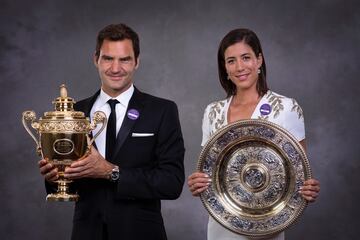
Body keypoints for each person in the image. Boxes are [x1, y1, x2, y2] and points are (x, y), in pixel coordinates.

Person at [38, 23, 185, 240]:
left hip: (141, 233)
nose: (115, 68)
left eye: (124, 59)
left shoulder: (162, 110)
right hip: (87, 232)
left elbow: (171, 183)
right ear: (96, 59)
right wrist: (54, 176)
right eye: (108, 58)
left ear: (137, 62)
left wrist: (111, 171)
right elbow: (67, 181)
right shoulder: (76, 113)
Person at [187, 28, 320, 240]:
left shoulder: (286, 107)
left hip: (267, 226)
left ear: (259, 60)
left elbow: (301, 173)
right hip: (222, 223)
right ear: (225, 68)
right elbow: (208, 169)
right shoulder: (212, 112)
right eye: (231, 61)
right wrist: (198, 182)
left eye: (246, 57)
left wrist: (308, 188)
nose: (239, 67)